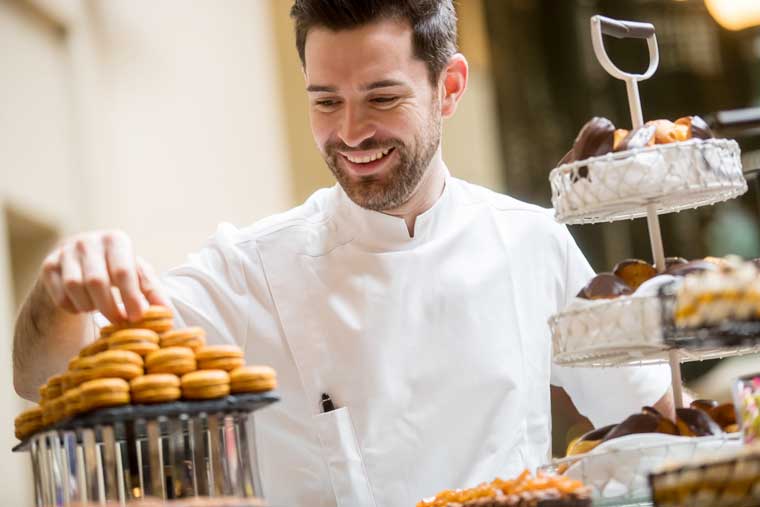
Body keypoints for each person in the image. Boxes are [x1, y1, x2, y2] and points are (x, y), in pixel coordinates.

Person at [13, 1, 674, 505]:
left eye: (381, 98)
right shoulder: (251, 270)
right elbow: (42, 375)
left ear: (449, 87)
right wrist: (58, 293)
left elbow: (654, 421)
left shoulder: (531, 244)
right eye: (326, 102)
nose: (352, 133)